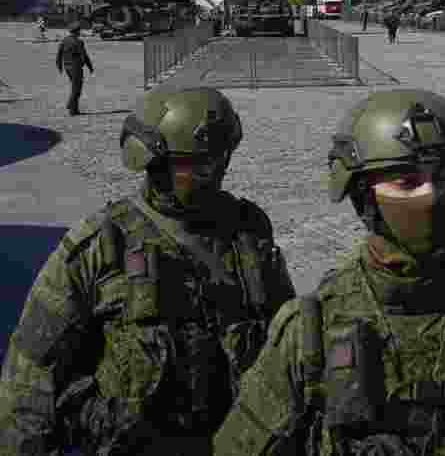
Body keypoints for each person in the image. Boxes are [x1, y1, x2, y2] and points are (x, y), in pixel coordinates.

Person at [213, 89, 445, 456]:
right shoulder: (312, 329)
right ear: (363, 196)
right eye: (407, 183)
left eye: (443, 177)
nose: (431, 195)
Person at [0, 87, 297, 455]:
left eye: (218, 161)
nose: (211, 174)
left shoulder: (249, 233)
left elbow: (286, 345)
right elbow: (30, 382)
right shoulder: (101, 247)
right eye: (196, 165)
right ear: (156, 164)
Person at [55, 21, 94, 115]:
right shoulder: (78, 42)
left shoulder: (64, 40)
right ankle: (71, 107)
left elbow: (59, 55)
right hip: (76, 68)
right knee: (76, 89)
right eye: (79, 30)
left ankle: (75, 109)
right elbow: (84, 56)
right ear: (77, 31)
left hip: (67, 67)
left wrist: (59, 66)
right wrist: (90, 67)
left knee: (75, 88)